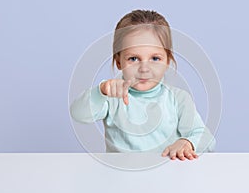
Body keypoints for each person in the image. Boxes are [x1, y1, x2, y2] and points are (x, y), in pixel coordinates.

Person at [70, 10, 215, 160]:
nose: (144, 69)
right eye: (133, 58)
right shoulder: (112, 97)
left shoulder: (178, 99)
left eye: (155, 58)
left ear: (167, 61)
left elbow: (206, 138)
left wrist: (187, 142)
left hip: (168, 177)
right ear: (119, 62)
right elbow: (78, 114)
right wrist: (101, 92)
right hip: (120, 177)